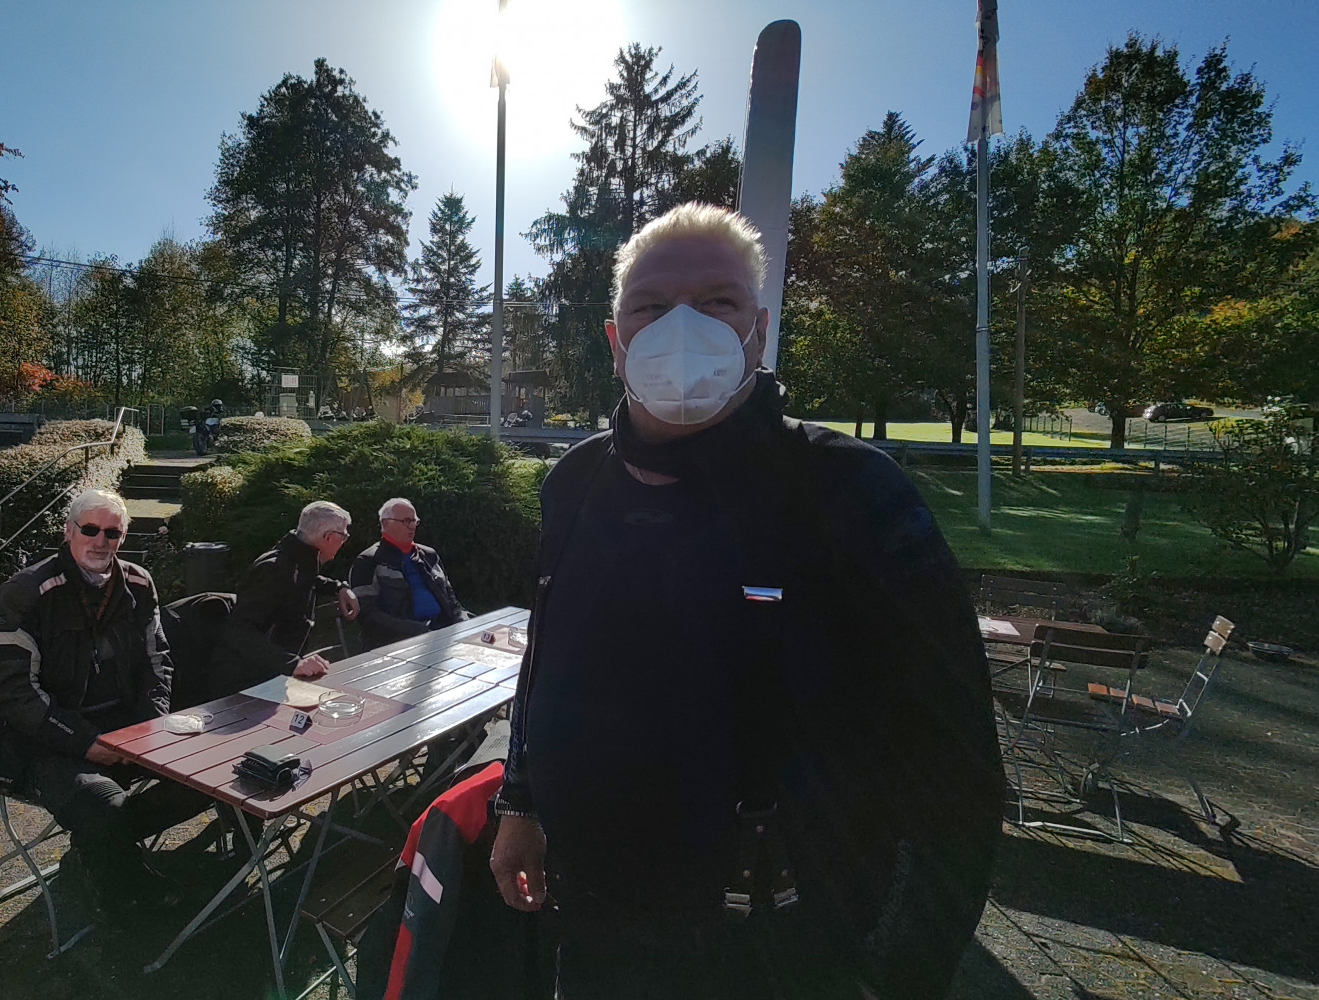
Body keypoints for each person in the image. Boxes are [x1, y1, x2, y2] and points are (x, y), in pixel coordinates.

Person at [488, 203, 1003, 1000]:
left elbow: (954, 769)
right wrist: (519, 803)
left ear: (757, 334)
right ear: (616, 340)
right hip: (592, 914)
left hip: (770, 939)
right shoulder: (574, 482)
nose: (681, 328)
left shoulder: (849, 491)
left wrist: (900, 974)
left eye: (717, 302)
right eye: (651, 307)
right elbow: (546, 656)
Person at [0, 489, 206, 912]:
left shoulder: (138, 583)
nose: (101, 541)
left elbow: (158, 661)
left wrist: (149, 728)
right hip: (45, 743)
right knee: (104, 807)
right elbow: (13, 692)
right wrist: (85, 742)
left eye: (112, 533)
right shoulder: (26, 591)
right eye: (90, 530)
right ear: (68, 531)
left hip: (124, 733)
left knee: (210, 776)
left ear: (123, 537)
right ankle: (123, 888)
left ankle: (98, 850)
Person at [215, 500, 360, 690]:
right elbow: (238, 631)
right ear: (328, 537)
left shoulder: (297, 559)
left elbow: (308, 580)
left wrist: (339, 587)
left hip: (272, 677)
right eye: (344, 535)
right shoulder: (274, 570)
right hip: (246, 684)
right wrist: (293, 664)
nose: (344, 541)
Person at [348, 498, 470, 648]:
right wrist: (420, 631)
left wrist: (463, 621)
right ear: (386, 524)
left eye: (414, 521)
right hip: (401, 642)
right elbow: (368, 615)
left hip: (444, 632)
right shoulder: (368, 561)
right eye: (406, 521)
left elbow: (451, 599)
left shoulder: (429, 555)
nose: (412, 526)